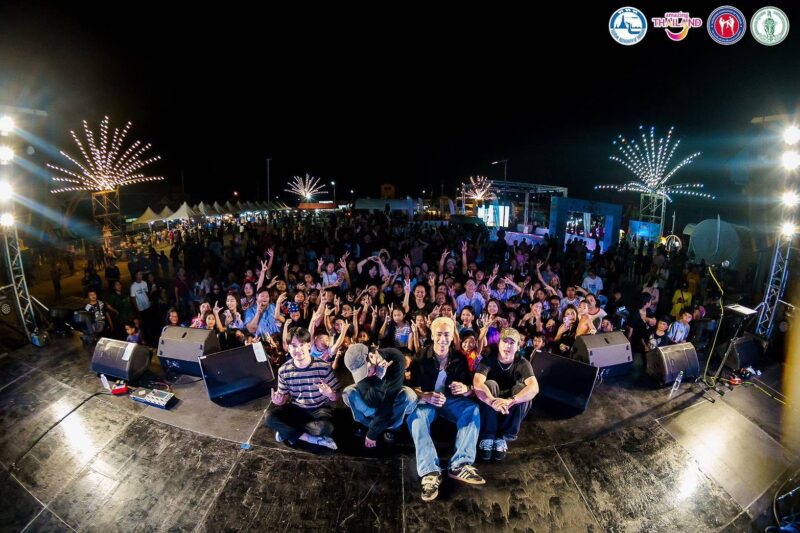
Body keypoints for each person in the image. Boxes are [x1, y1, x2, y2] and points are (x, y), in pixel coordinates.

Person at [406, 317, 484, 502]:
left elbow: (469, 389)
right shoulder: (421, 357)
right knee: (415, 416)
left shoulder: (459, 358)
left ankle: (460, 464)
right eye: (439, 334)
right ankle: (430, 471)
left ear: (452, 337)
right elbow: (409, 389)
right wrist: (425, 396)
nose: (442, 339)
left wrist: (465, 389)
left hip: (449, 401)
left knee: (472, 409)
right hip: (427, 401)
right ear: (432, 335)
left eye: (447, 335)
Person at [264, 327, 339, 450]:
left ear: (309, 345)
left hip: (319, 409)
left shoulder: (324, 367)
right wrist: (279, 400)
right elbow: (284, 397)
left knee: (326, 428)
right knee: (269, 417)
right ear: (288, 347)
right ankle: (313, 439)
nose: (298, 350)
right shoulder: (284, 370)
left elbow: (337, 396)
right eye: (293, 346)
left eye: (302, 345)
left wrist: (330, 393)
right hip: (296, 409)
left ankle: (287, 431)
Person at [472, 328, 539, 461]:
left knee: (522, 389)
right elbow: (477, 383)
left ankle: (502, 436)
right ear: (499, 344)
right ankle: (488, 435)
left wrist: (511, 400)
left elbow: (534, 387)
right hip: (492, 402)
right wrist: (492, 401)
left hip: (510, 406)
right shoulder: (488, 360)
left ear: (518, 346)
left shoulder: (522, 362)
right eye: (505, 341)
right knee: (489, 384)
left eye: (512, 343)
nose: (507, 346)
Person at [342, 344, 417, 447]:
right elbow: (370, 402)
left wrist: (372, 434)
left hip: (392, 397)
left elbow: (388, 401)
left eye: (366, 370)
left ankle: (389, 427)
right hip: (375, 395)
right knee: (348, 392)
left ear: (371, 356)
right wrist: (378, 378)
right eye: (361, 373)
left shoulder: (396, 358)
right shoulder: (357, 364)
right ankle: (369, 424)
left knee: (407, 396)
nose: (366, 375)